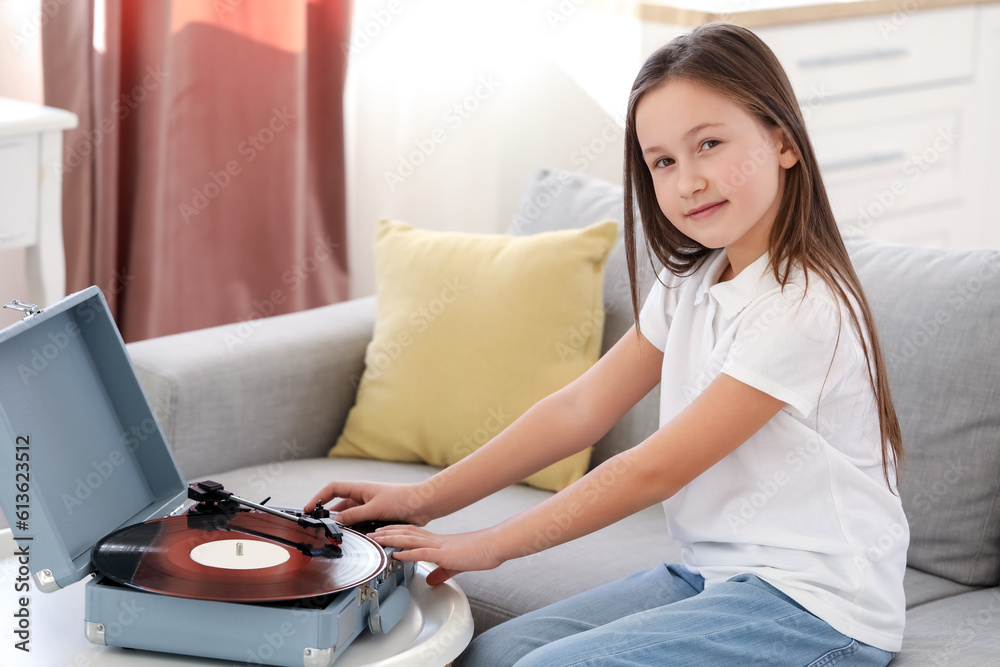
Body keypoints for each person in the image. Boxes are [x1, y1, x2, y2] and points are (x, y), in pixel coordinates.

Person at [307, 23, 908, 667]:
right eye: (664, 161)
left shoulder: (801, 306)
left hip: (817, 608)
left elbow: (652, 470)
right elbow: (579, 410)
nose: (689, 181)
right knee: (490, 655)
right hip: (711, 577)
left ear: (782, 142)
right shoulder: (693, 282)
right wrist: (425, 499)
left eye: (710, 143)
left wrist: (487, 544)